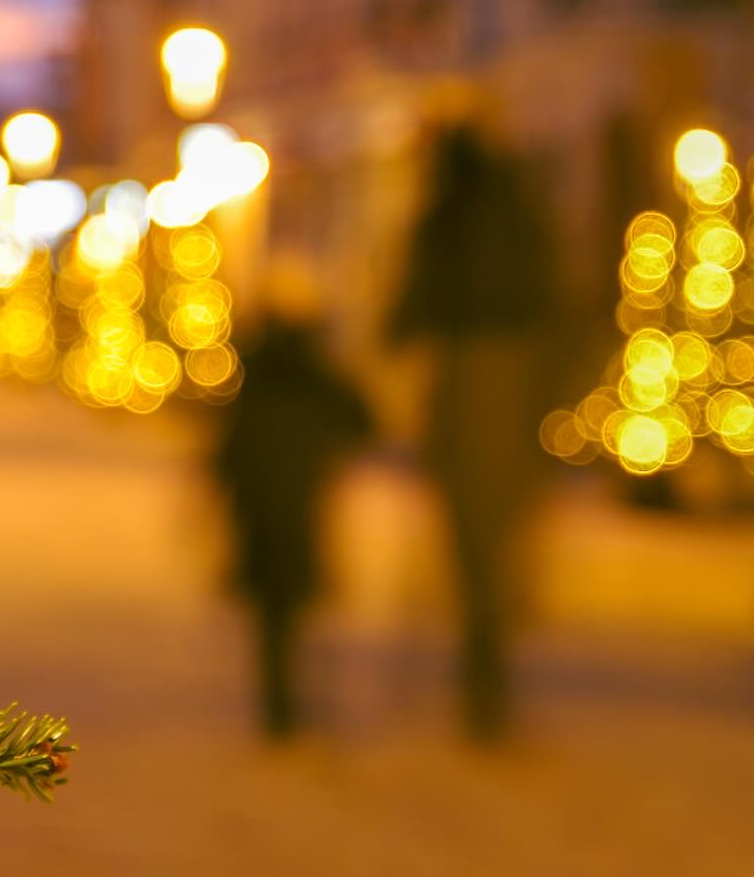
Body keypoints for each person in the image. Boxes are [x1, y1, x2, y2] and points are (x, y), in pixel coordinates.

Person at [389, 122, 558, 741]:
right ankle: (489, 671)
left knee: (470, 539)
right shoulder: (523, 215)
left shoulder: (446, 220)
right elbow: (555, 294)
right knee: (499, 534)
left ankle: (482, 668)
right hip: (519, 390)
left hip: (466, 387)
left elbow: (407, 305)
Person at [216, 268, 371, 740]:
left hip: (261, 515)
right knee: (290, 612)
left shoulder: (255, 377)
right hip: (301, 511)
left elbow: (228, 455)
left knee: (273, 618)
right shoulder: (315, 378)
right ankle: (286, 708)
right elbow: (364, 420)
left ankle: (279, 708)